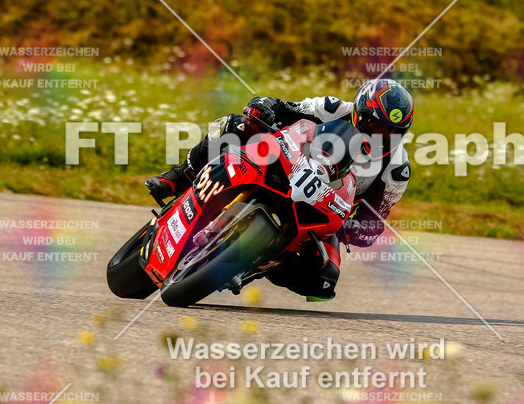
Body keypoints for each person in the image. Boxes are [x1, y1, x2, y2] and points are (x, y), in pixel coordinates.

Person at [146, 79, 414, 301]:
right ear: (359, 112)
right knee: (236, 126)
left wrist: (357, 230)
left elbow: (375, 219)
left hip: (323, 210)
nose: (379, 136)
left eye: (391, 132)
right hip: (284, 162)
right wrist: (263, 107)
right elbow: (284, 107)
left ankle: (257, 259)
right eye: (374, 125)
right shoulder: (333, 108)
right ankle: (179, 176)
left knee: (323, 283)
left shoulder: (397, 169)